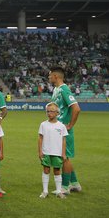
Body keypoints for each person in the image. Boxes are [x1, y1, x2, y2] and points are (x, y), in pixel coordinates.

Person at [48, 66, 81, 194]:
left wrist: (70, 125)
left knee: (64, 157)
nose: (49, 77)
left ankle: (65, 187)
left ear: (56, 76)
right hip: (58, 129)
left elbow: (76, 108)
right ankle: (75, 184)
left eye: (50, 75)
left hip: (63, 130)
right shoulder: (57, 89)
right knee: (65, 157)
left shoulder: (64, 90)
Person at [38, 102, 68, 199]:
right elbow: (40, 138)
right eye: (47, 111)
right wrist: (40, 152)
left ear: (57, 113)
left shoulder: (61, 126)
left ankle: (59, 191)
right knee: (46, 170)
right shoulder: (43, 124)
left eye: (52, 111)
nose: (49, 113)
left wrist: (63, 153)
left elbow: (64, 140)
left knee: (57, 171)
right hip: (46, 152)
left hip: (57, 152)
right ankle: (45, 191)